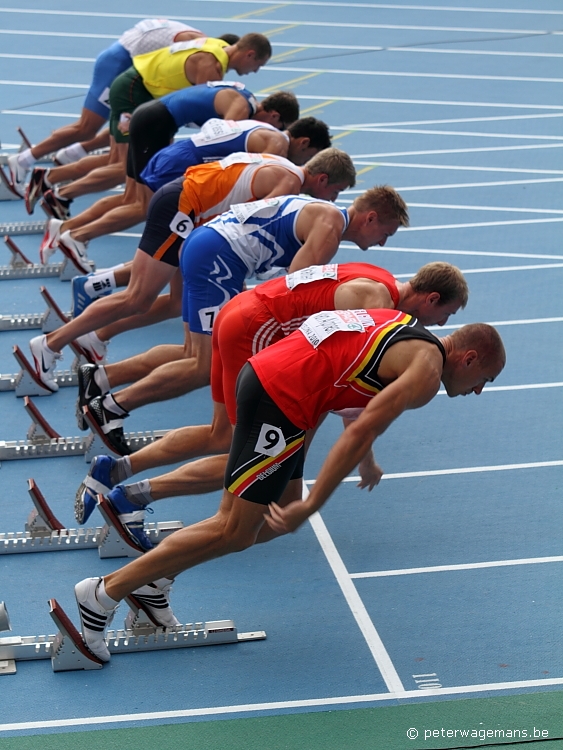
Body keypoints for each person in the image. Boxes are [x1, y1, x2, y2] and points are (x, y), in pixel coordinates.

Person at [71, 312, 505, 662]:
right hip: (280, 396)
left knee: (278, 517)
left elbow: (336, 361)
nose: (481, 391)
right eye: (486, 378)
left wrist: (304, 457)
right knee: (236, 529)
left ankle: (157, 578)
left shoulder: (408, 329)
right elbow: (357, 431)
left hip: (286, 389)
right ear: (468, 359)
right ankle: (103, 593)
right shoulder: (426, 373)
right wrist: (314, 502)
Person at [74, 260, 469, 538]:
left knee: (222, 435)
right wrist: (363, 459)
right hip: (260, 334)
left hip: (248, 312)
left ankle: (118, 472)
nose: (441, 327)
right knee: (245, 449)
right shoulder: (376, 304)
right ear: (431, 298)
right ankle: (133, 494)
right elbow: (343, 380)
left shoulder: (380, 278)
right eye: (446, 314)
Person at [68, 185, 410, 455]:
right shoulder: (330, 226)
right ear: (370, 218)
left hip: (211, 246)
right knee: (204, 366)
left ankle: (100, 377)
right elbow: (294, 284)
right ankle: (110, 408)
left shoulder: (322, 210)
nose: (381, 242)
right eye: (386, 233)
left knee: (195, 354)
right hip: (219, 259)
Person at [28, 144, 347, 394]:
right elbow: (254, 223)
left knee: (177, 305)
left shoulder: (283, 165)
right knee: (138, 296)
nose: (333, 200)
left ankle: (94, 337)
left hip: (192, 212)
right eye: (335, 192)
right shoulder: (289, 182)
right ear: (322, 180)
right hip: (185, 208)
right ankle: (51, 344)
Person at [31, 33, 273, 230]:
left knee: (132, 192)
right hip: (137, 91)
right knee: (124, 172)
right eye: (258, 65)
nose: (255, 72)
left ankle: (63, 212)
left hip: (150, 102)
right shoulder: (211, 68)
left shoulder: (216, 46)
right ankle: (56, 188)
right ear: (249, 54)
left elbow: (185, 42)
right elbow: (217, 133)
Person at [37, 114, 325, 270]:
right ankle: (75, 235)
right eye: (310, 154)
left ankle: (66, 228)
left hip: (185, 155)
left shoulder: (262, 128)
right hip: (185, 165)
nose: (304, 163)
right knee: (142, 209)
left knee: (134, 203)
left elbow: (218, 127)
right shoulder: (277, 149)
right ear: (303, 143)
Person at [8, 19, 206, 198]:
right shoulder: (197, 50)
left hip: (133, 73)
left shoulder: (201, 44)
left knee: (134, 131)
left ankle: (70, 155)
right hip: (119, 68)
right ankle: (23, 161)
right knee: (86, 128)